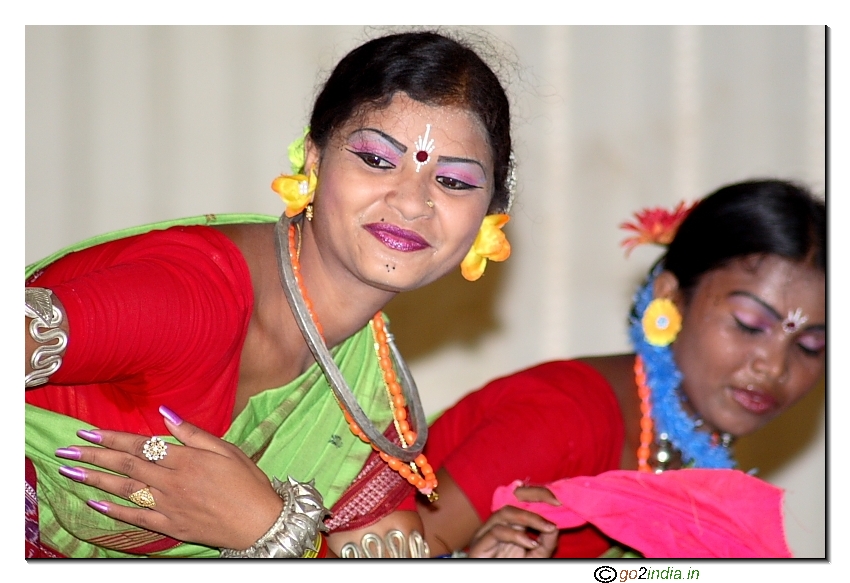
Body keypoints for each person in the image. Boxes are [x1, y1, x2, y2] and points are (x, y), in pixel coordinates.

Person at [24, 30, 518, 558]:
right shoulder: (193, 299)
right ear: (313, 158)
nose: (413, 202)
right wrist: (274, 532)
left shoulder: (366, 390)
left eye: (456, 183)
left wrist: (270, 529)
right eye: (377, 160)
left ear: (489, 215)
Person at [416, 179, 826, 558]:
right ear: (672, 297)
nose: (773, 367)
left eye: (811, 345)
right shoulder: (563, 418)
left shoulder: (696, 453)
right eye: (749, 324)